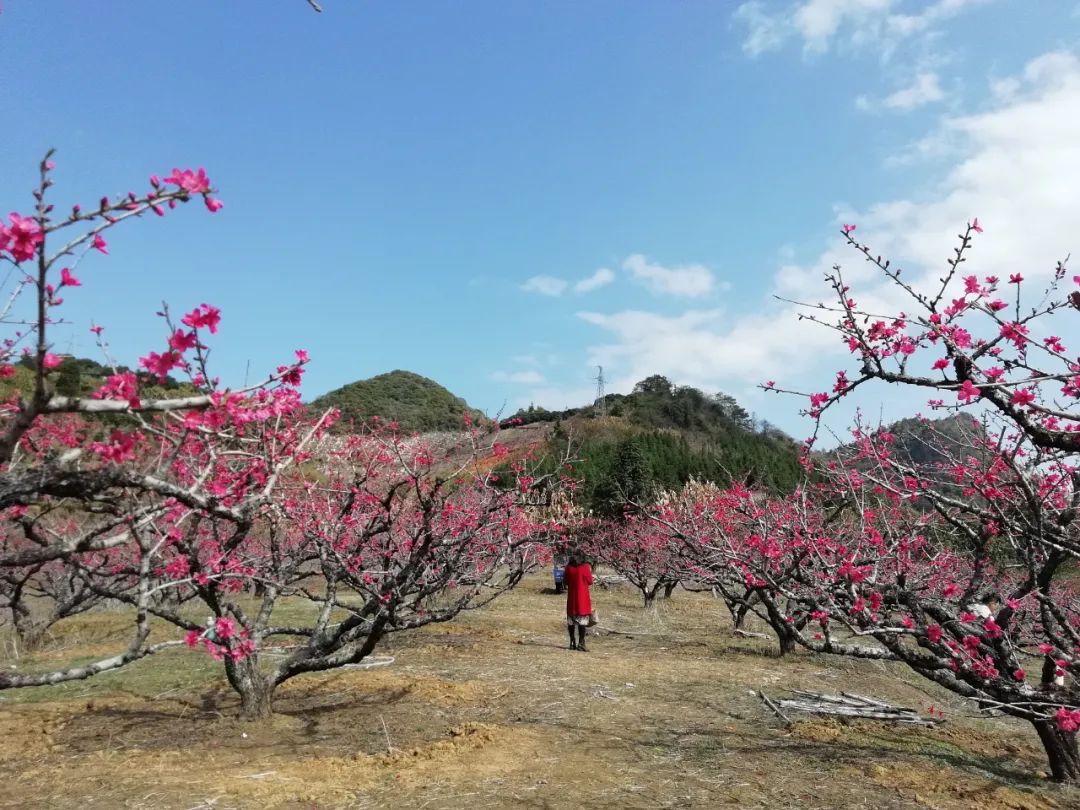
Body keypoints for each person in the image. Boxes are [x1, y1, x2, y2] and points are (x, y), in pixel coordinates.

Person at [564, 550, 594, 652]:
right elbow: (590, 581)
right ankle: (581, 643)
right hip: (583, 599)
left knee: (571, 622)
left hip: (572, 598)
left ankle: (572, 641)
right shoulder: (585, 567)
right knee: (582, 622)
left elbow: (565, 581)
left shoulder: (568, 567)